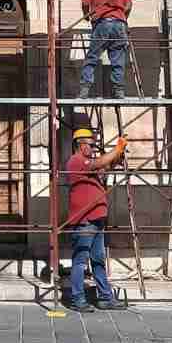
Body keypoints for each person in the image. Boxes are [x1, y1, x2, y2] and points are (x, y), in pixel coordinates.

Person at [64, 126, 128, 312]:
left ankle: (106, 297)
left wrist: (118, 156)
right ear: (80, 145)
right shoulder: (76, 162)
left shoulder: (89, 163)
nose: (92, 149)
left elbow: (104, 167)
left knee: (98, 259)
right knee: (80, 261)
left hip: (97, 218)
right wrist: (116, 149)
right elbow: (99, 163)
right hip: (84, 220)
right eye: (90, 145)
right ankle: (77, 299)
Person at [78, 0, 132, 101]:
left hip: (102, 22)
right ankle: (119, 91)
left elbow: (84, 3)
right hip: (119, 23)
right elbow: (128, 5)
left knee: (92, 57)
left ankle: (84, 90)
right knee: (117, 59)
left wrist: (87, 16)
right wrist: (122, 18)